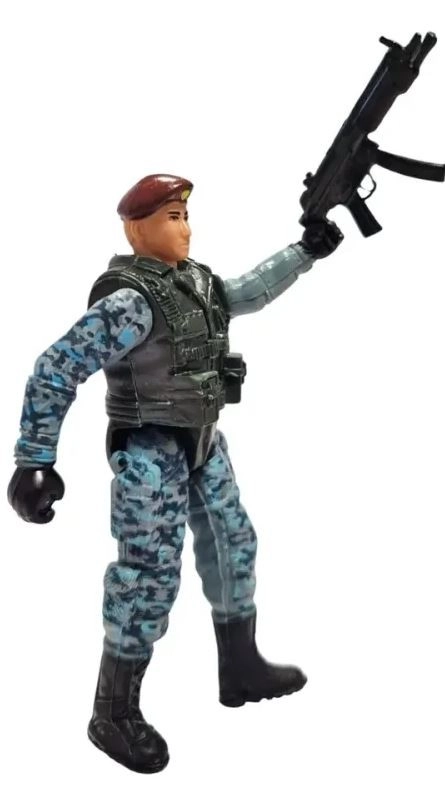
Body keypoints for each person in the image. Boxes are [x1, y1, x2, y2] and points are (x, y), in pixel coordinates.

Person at [8, 173, 343, 774]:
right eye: (171, 218)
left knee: (234, 542)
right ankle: (112, 713)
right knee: (148, 578)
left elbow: (247, 292)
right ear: (137, 230)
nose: (185, 229)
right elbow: (56, 368)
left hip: (204, 440)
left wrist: (304, 252)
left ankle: (240, 666)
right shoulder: (130, 302)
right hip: (150, 451)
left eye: (186, 216)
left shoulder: (196, 282)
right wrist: (35, 459)